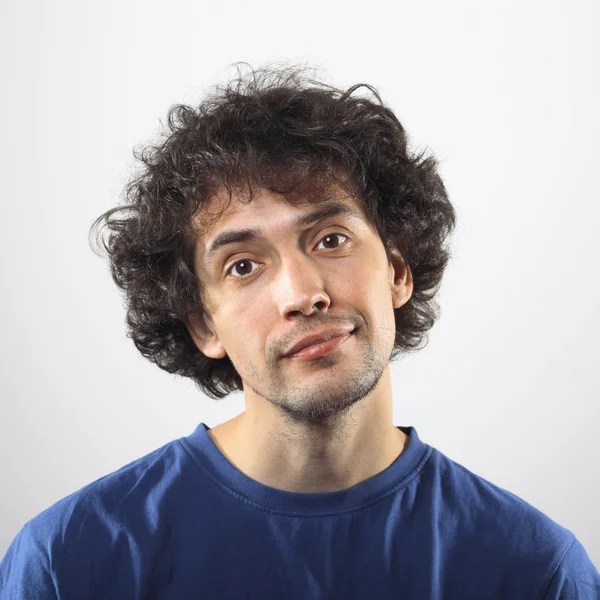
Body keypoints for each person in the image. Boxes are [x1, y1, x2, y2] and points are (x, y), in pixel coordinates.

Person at [1, 64, 599, 599]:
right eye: (243, 266)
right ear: (204, 325)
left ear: (396, 271)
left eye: (330, 240)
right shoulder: (68, 563)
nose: (302, 293)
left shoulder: (536, 571)